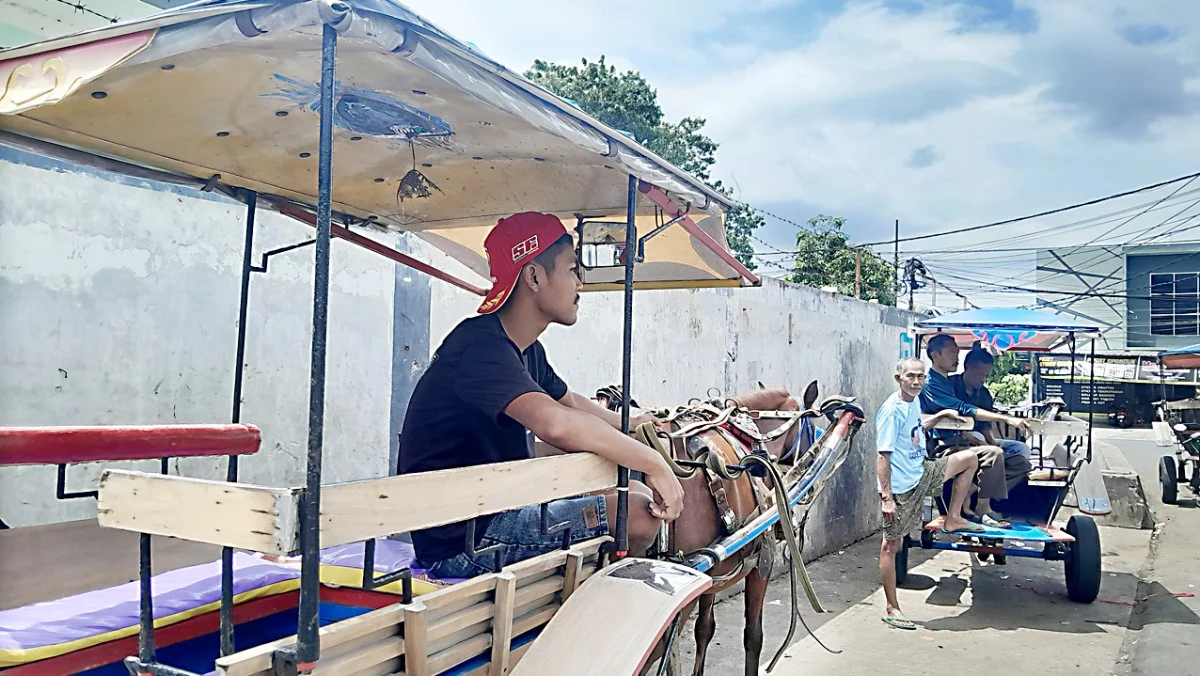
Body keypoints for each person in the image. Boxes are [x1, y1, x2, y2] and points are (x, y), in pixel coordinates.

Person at [396, 212, 684, 580]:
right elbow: (556, 423)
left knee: (626, 491)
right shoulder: (480, 348)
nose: (580, 283)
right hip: (464, 543)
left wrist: (641, 425)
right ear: (534, 276)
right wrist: (654, 463)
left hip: (495, 513)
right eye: (572, 269)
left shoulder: (525, 349)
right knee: (640, 511)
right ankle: (609, 602)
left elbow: (571, 404)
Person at [877, 357, 985, 630]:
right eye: (910, 376)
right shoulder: (892, 410)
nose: (916, 381)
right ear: (898, 378)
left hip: (923, 471)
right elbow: (883, 456)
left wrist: (941, 415)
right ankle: (892, 608)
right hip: (903, 488)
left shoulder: (914, 403)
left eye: (920, 377)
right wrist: (887, 498)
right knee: (891, 546)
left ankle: (953, 517)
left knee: (970, 459)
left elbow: (915, 430)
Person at [919, 334, 1031, 526]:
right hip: (946, 446)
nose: (956, 357)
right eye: (952, 352)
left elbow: (981, 426)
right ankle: (983, 507)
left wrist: (989, 440)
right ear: (935, 355)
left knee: (1020, 462)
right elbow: (963, 409)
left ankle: (974, 490)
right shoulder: (932, 384)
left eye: (957, 352)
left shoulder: (949, 383)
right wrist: (1006, 419)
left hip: (966, 444)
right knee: (993, 453)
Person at [951, 347, 1032, 459]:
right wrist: (978, 440)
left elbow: (985, 427)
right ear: (968, 367)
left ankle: (1009, 473)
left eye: (986, 376)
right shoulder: (950, 385)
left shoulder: (984, 394)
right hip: (955, 440)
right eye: (980, 374)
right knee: (978, 435)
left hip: (981, 439)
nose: (983, 379)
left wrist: (992, 442)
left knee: (1022, 448)